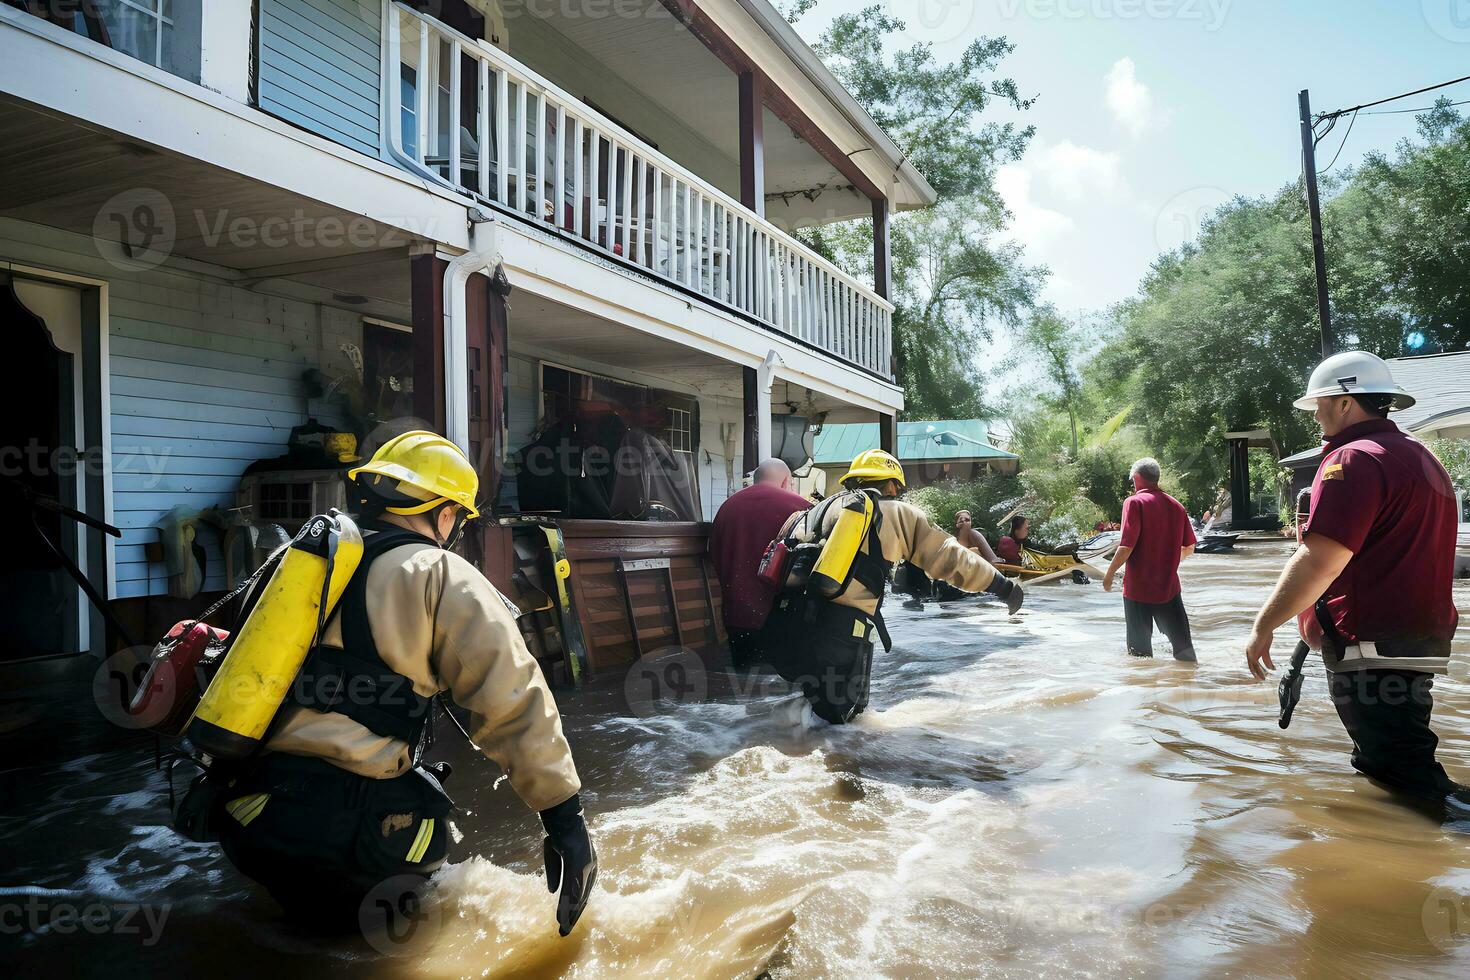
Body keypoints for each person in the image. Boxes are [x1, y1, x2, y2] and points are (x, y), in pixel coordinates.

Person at [207, 431, 597, 933]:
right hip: (358, 834)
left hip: (251, 815)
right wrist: (565, 821)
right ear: (445, 514)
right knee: (388, 943)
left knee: (292, 938)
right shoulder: (438, 573)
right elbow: (514, 701)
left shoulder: (295, 563)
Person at [1245, 351, 1462, 804]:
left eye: (1320, 403)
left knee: (1405, 783)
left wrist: (1264, 625)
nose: (1316, 415)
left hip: (1371, 646)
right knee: (1400, 762)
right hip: (1417, 640)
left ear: (1345, 401)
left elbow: (1321, 560)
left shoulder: (1353, 461)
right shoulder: (1419, 457)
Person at [766, 450, 1023, 724]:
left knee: (802, 717)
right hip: (840, 635)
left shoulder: (822, 509)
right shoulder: (893, 513)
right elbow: (950, 557)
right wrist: (1002, 586)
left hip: (790, 627)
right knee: (841, 732)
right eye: (897, 487)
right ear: (890, 485)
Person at [708, 458, 812, 668]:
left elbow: (714, 554)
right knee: (782, 688)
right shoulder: (799, 507)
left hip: (734, 616)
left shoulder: (727, 507)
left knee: (742, 683)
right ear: (786, 481)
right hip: (781, 616)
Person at [1102, 458, 1197, 661]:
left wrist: (1108, 575)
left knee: (1139, 656)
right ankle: (1188, 687)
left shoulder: (1134, 502)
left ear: (1137, 478)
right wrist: (1168, 563)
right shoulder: (1177, 506)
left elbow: (1126, 546)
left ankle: (1146, 692)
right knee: (1185, 653)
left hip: (1138, 590)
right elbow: (1189, 547)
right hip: (1170, 589)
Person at [996, 515, 1079, 567]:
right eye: (1027, 528)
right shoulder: (1007, 542)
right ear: (1017, 529)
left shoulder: (1023, 543)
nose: (1028, 531)